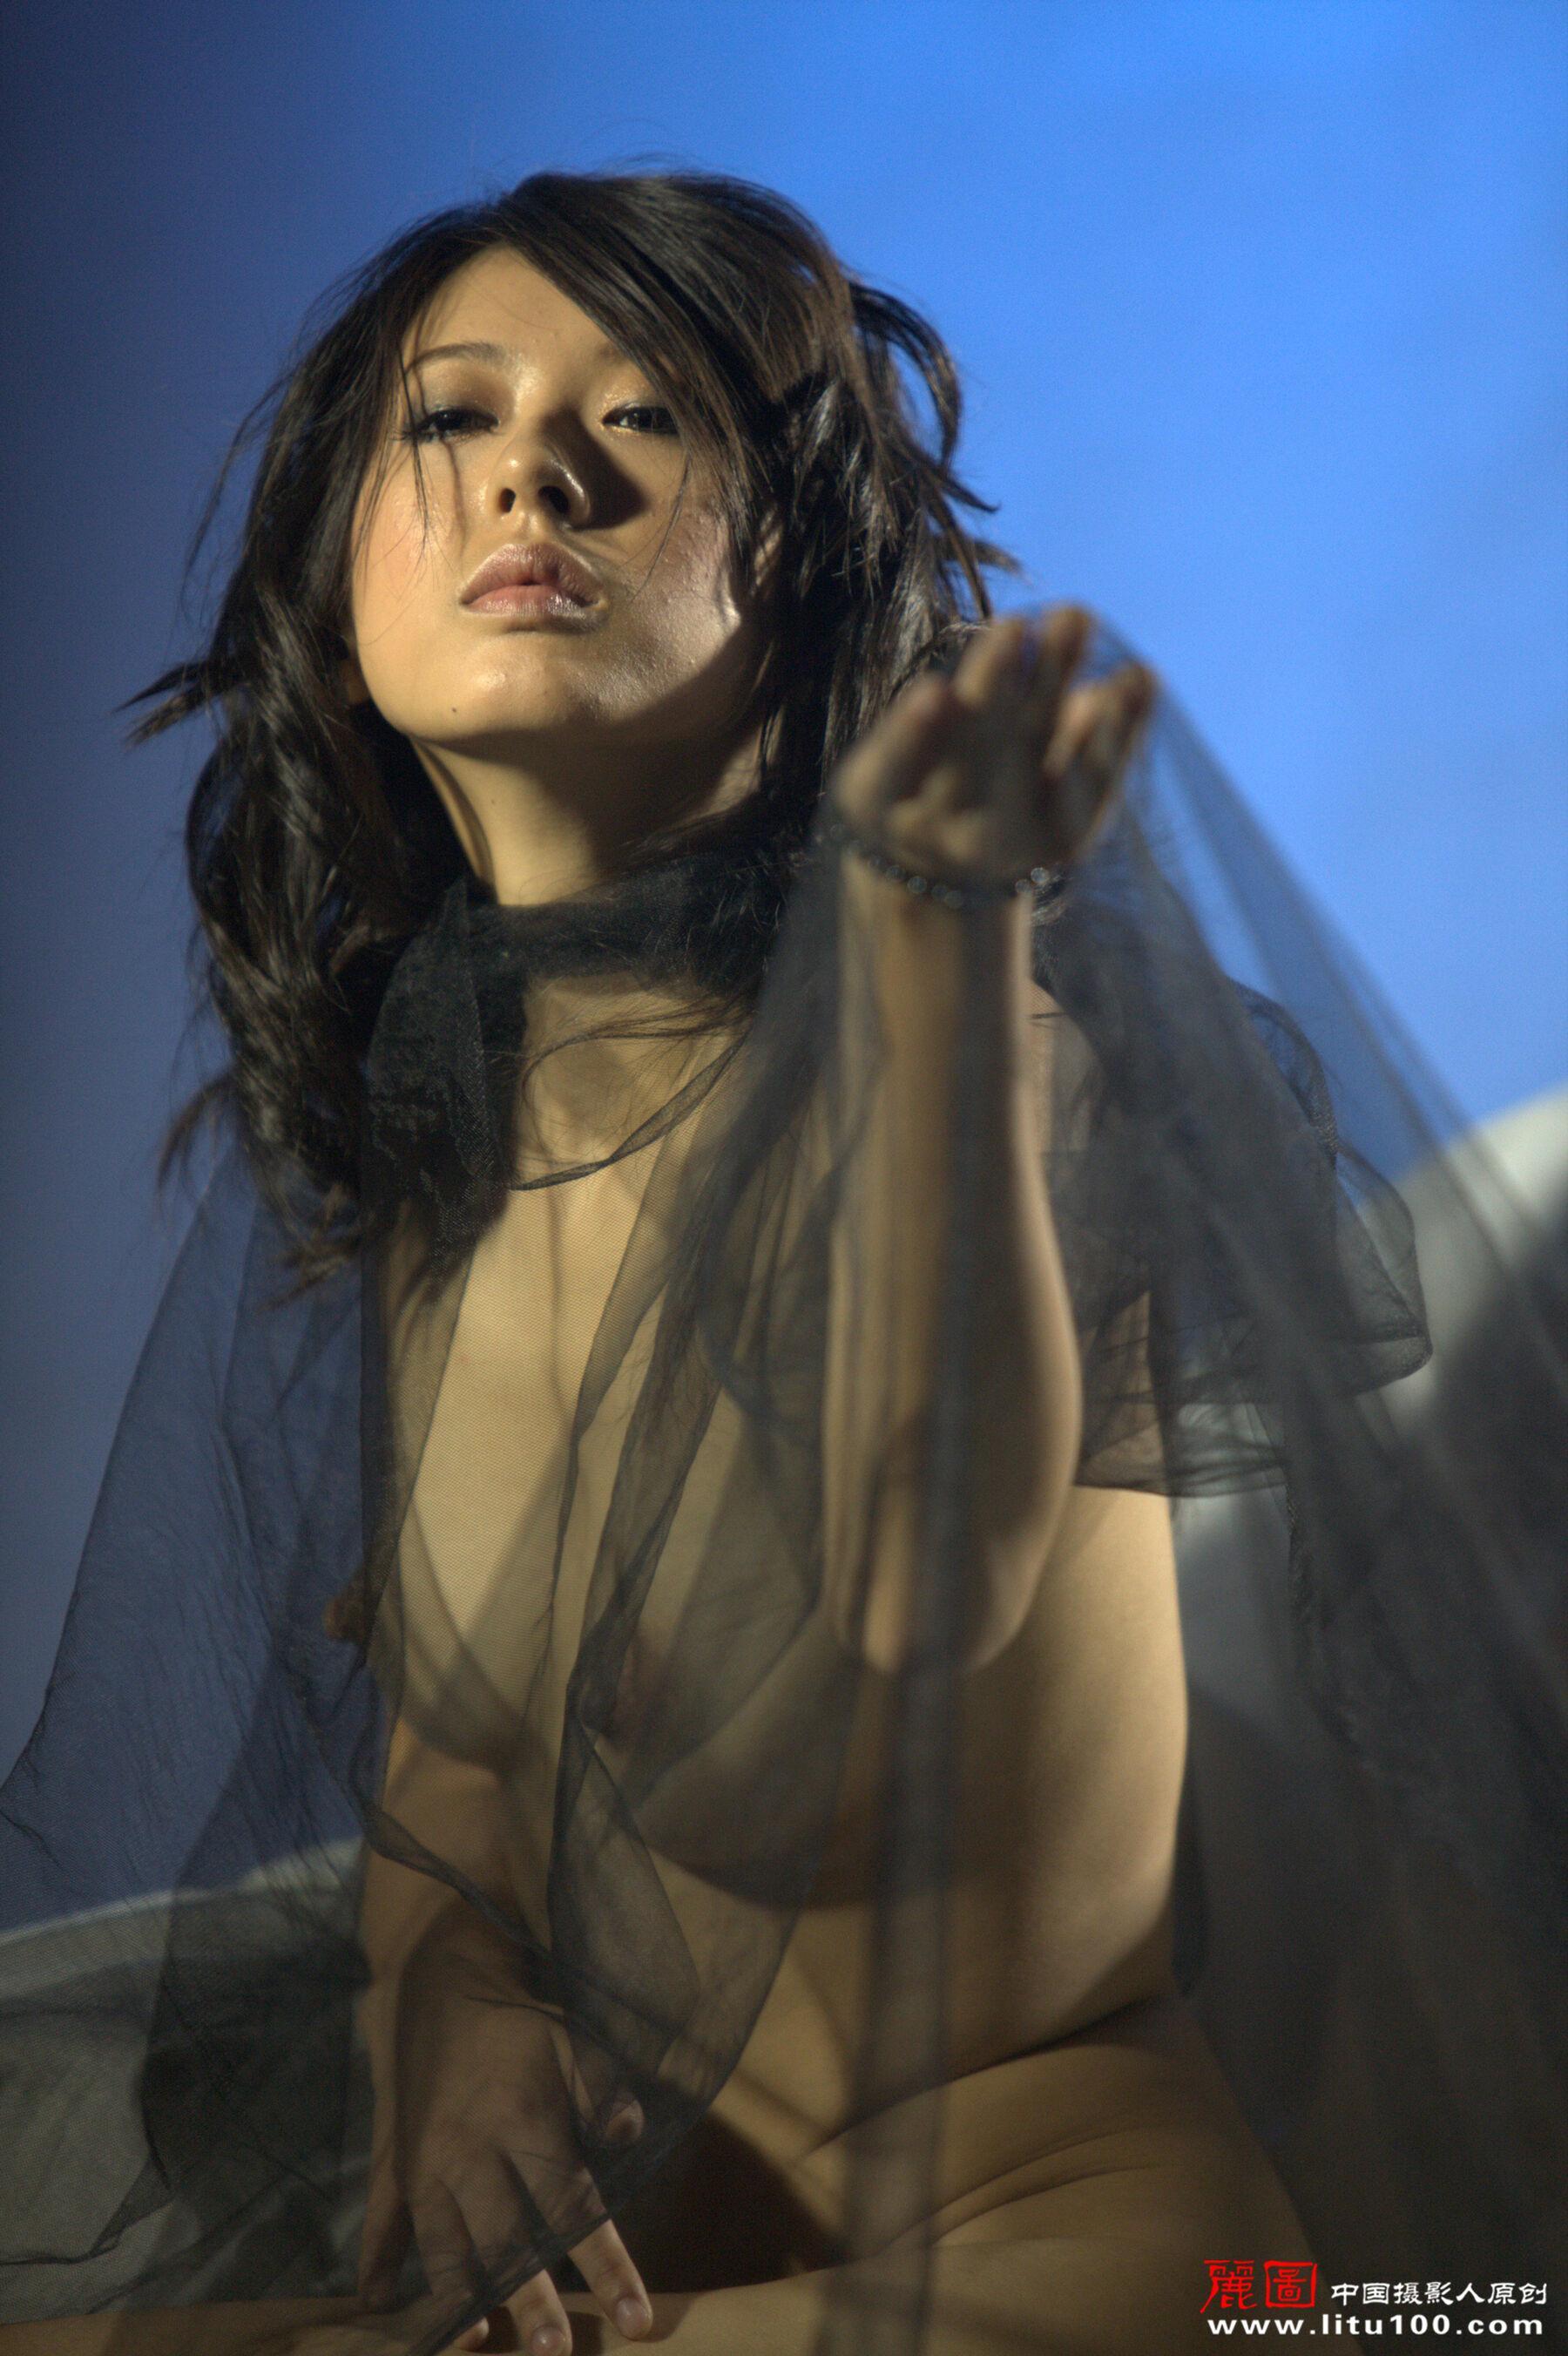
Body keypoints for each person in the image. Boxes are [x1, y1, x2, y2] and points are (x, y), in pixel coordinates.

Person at [0, 168, 1562, 2356]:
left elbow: (923, 1575)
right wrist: (453, 1998)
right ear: (335, 591)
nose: (534, 468)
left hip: (1074, 2266)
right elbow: (455, 1792)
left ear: (803, 575)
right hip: (664, 2273)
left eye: (642, 419)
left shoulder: (988, 1048)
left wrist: (937, 936)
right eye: (452, 414)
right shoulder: (453, 1162)